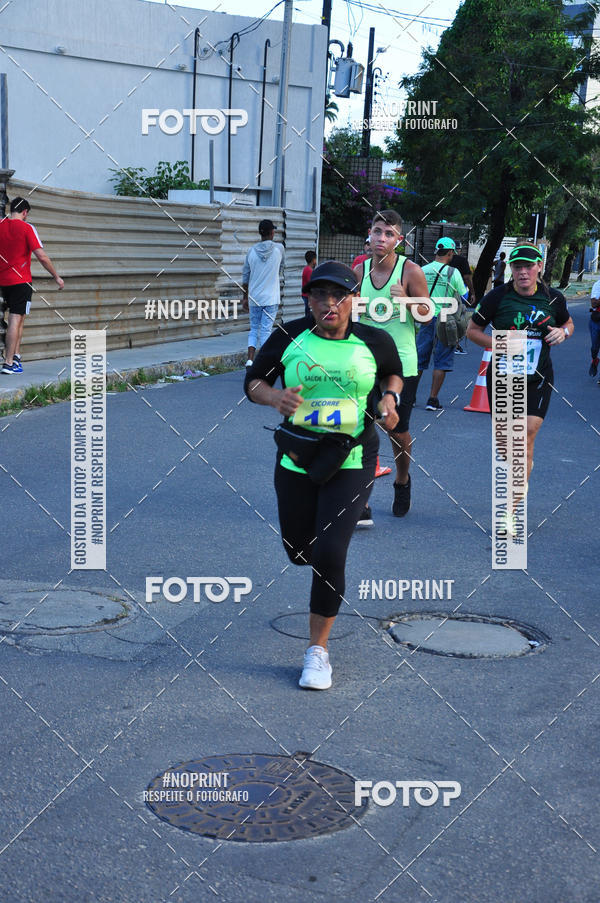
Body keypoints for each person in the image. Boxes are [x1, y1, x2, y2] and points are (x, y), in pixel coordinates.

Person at [245, 260, 403, 690]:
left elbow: (394, 373)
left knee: (331, 552)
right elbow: (253, 381)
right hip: (298, 455)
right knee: (300, 551)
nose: (329, 303)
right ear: (309, 299)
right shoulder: (290, 336)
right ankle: (313, 562)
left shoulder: (375, 339)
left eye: (338, 295)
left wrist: (389, 398)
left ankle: (318, 652)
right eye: (319, 295)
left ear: (354, 299)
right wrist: (274, 396)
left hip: (351, 456)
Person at [466, 243, 574, 520]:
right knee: (507, 444)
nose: (523, 272)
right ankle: (521, 475)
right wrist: (499, 344)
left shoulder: (554, 299)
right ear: (511, 269)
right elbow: (472, 331)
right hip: (503, 376)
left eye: (528, 266)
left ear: (539, 267)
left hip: (538, 377)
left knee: (524, 437)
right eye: (517, 266)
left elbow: (568, 323)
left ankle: (510, 510)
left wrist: (563, 333)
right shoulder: (497, 297)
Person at [354, 209, 431, 521]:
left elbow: (427, 315)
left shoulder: (410, 271)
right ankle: (360, 497)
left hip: (401, 365)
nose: (381, 238)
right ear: (369, 235)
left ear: (400, 239)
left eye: (389, 234)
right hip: (363, 362)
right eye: (377, 231)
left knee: (395, 430)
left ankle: (402, 479)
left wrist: (408, 302)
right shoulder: (359, 271)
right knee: (359, 427)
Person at [0, 197, 64, 374]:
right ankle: (8, 362)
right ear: (25, 212)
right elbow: (42, 257)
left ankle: (16, 357)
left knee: (18, 319)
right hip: (21, 282)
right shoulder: (28, 228)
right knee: (15, 320)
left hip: (3, 281)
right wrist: (56, 276)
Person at [417, 238, 469, 410]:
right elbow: (464, 296)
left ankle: (409, 397)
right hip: (446, 319)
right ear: (450, 252)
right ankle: (432, 400)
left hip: (425, 317)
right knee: (442, 360)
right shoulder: (453, 272)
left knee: (418, 359)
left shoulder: (422, 270)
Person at [241, 219, 285, 368]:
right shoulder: (279, 249)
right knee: (266, 330)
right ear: (272, 233)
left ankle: (250, 360)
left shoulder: (251, 251)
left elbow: (245, 277)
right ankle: (264, 362)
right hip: (271, 298)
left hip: (254, 297)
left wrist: (244, 297)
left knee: (254, 328)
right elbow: (280, 268)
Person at [588, 277, 600, 378]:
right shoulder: (598, 285)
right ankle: (595, 359)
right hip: (597, 321)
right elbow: (594, 303)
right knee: (595, 348)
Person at [301, 250, 317, 317]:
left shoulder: (306, 269)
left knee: (308, 315)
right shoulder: (309, 271)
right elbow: (311, 284)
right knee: (309, 317)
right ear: (313, 260)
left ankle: (308, 327)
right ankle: (308, 328)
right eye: (315, 259)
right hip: (308, 297)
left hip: (306, 296)